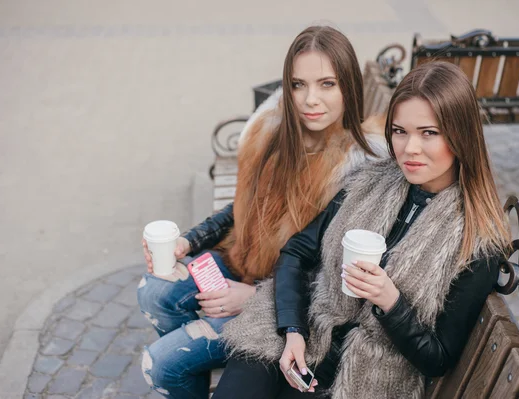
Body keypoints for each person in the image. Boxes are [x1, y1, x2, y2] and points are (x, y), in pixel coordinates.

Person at [216, 61, 511, 399]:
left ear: (460, 136)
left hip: (362, 379)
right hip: (303, 332)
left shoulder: (478, 241)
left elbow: (438, 359)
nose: (409, 148)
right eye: (400, 131)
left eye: (429, 133)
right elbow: (298, 251)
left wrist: (392, 303)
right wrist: (294, 330)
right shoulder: (369, 181)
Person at [137, 25, 387, 399]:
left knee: (161, 364)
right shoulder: (276, 133)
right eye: (298, 85)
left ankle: (200, 355)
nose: (310, 100)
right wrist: (189, 241)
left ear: (349, 86)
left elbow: (329, 280)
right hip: (243, 263)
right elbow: (242, 208)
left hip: (284, 311)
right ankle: (201, 366)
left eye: (326, 84)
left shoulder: (358, 168)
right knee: (153, 291)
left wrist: (253, 299)